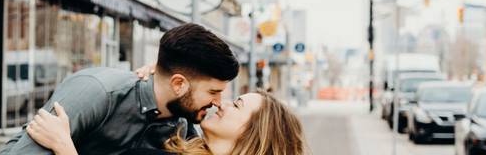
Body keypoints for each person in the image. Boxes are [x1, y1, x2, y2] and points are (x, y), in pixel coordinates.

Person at [0, 23, 240, 155]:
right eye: (212, 92)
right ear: (178, 84)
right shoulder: (98, 92)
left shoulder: (182, 131)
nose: (218, 102)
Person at [26, 91, 308, 155]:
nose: (221, 102)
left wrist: (64, 146)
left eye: (237, 105)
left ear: (255, 130)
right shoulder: (184, 140)